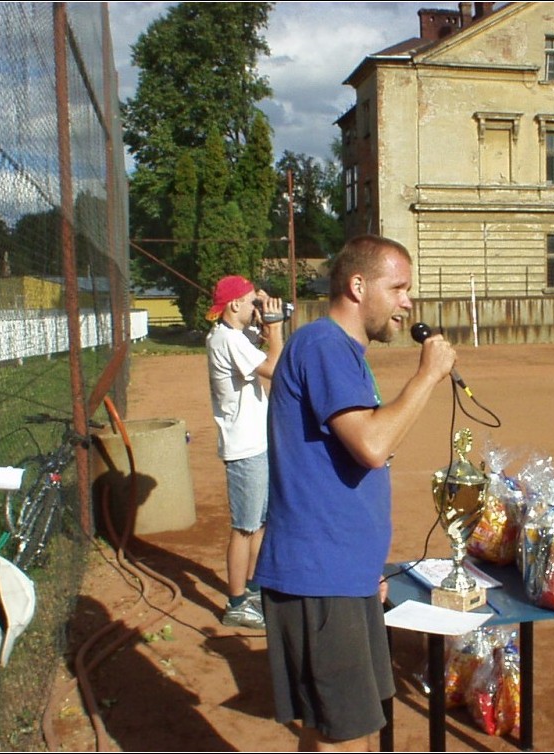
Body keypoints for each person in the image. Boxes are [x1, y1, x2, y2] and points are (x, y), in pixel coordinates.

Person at [255, 234, 457, 751]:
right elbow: (371, 444)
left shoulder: (339, 350)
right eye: (399, 288)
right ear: (358, 285)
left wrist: (366, 569)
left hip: (343, 573)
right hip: (320, 577)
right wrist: (427, 377)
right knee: (342, 737)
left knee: (343, 730)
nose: (408, 303)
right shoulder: (324, 345)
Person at [205, 275, 285, 629]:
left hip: (256, 442)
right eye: (252, 301)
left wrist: (265, 320)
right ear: (234, 305)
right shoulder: (226, 339)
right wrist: (276, 329)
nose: (258, 307)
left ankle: (253, 586)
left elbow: (261, 344)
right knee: (245, 526)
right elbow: (275, 369)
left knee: (260, 523)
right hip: (244, 447)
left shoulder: (237, 337)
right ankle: (236, 601)